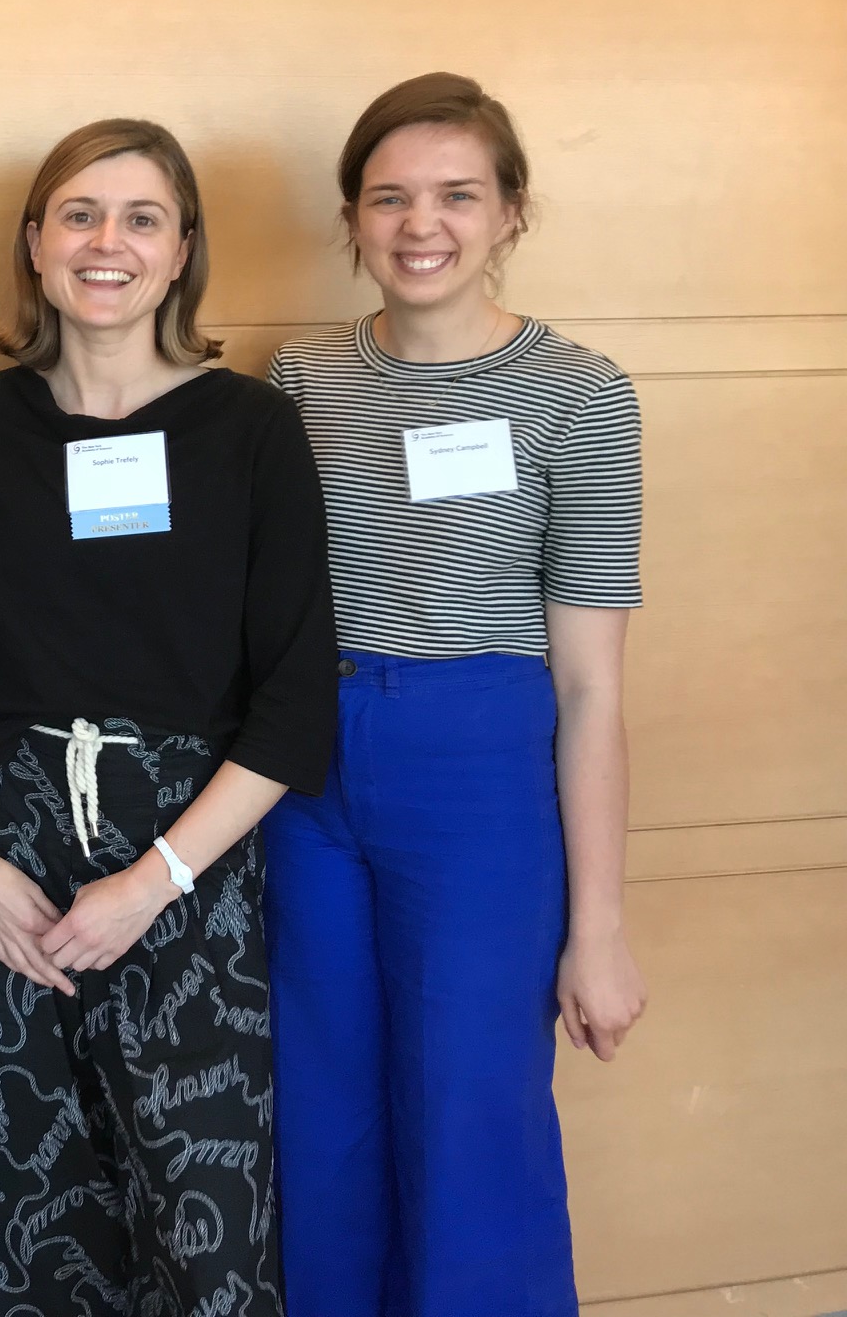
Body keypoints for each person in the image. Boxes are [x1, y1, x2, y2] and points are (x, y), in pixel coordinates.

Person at [0, 117, 335, 1317]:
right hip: (7, 867)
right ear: (35, 244)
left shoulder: (252, 430)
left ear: (183, 248)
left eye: (142, 218)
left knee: (203, 1231)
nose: (109, 242)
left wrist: (154, 879)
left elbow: (295, 703)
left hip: (192, 864)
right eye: (80, 215)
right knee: (8, 1219)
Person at [265, 72, 649, 1317]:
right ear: (352, 218)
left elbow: (591, 688)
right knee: (319, 1105)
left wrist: (599, 927)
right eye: (389, 198)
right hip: (307, 763)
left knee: (471, 1106)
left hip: (481, 768)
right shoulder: (300, 381)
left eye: (455, 196)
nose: (419, 225)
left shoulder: (581, 394)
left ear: (511, 214)